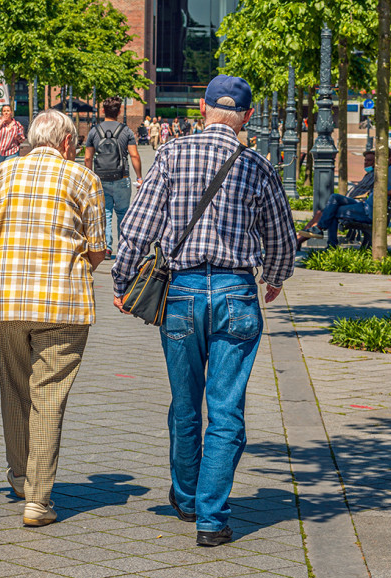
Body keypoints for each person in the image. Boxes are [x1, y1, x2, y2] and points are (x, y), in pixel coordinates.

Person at [112, 75, 297, 547]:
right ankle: (212, 519)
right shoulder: (257, 164)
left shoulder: (172, 155)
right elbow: (281, 238)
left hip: (183, 291)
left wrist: (123, 281)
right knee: (226, 407)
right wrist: (274, 277)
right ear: (248, 117)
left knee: (184, 401)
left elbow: (137, 227)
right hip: (236, 292)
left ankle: (186, 494)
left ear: (202, 108)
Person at [0, 110, 106, 528]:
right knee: (48, 396)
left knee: (15, 391)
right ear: (68, 143)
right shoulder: (84, 179)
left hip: (3, 304)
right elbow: (97, 250)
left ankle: (19, 476)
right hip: (62, 305)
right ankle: (38, 499)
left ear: (34, 139)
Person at [297, 150, 391, 248]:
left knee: (331, 211)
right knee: (334, 199)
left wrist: (381, 193)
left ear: (390, 158)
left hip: (368, 211)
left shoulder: (389, 170)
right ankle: (320, 232)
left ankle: (324, 236)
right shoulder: (385, 169)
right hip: (365, 206)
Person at [84, 97, 143, 254]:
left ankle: (107, 247)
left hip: (101, 178)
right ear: (119, 111)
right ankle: (123, 247)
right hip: (122, 177)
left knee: (106, 212)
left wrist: (89, 177)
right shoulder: (126, 131)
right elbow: (134, 155)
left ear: (103, 111)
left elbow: (88, 157)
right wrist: (139, 177)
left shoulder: (94, 131)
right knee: (123, 212)